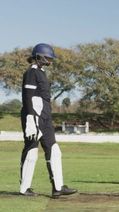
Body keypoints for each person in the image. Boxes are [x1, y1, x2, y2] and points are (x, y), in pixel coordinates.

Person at [19, 43, 77, 198]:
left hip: (45, 117)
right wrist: (31, 118)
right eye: (48, 57)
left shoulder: (41, 73)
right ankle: (25, 188)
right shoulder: (31, 73)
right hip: (34, 116)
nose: (50, 60)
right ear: (39, 56)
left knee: (54, 151)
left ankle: (58, 187)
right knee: (31, 151)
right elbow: (27, 97)